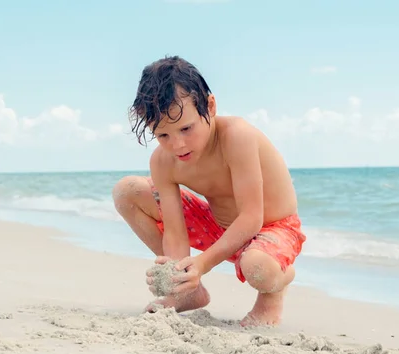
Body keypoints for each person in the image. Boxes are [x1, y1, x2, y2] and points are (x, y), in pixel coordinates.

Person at [112, 56, 306, 327]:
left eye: (186, 128)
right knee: (127, 191)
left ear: (210, 106)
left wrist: (201, 263)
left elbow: (252, 218)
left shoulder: (237, 137)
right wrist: (177, 275)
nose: (178, 145)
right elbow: (175, 232)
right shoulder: (163, 161)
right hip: (219, 230)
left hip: (272, 229)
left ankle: (274, 290)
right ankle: (189, 293)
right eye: (163, 135)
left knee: (257, 267)